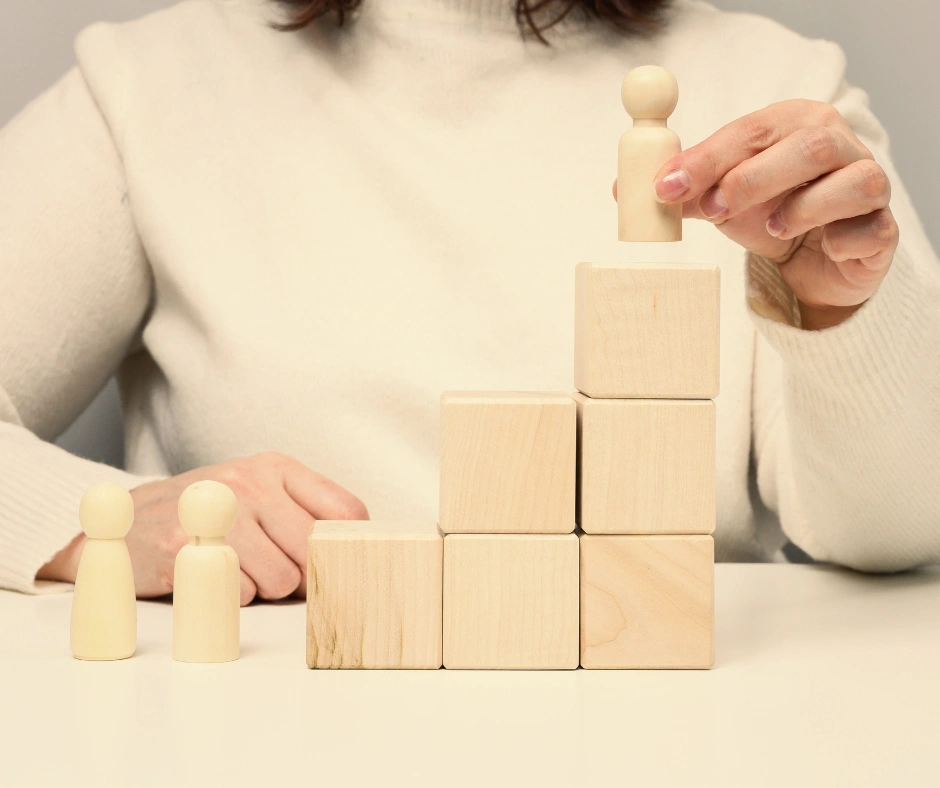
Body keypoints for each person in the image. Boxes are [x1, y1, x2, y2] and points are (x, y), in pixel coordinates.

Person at [0, 0, 937, 605]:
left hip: (661, 727)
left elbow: (900, 531)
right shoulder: (148, 86)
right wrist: (98, 523)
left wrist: (838, 313)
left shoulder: (776, 89)